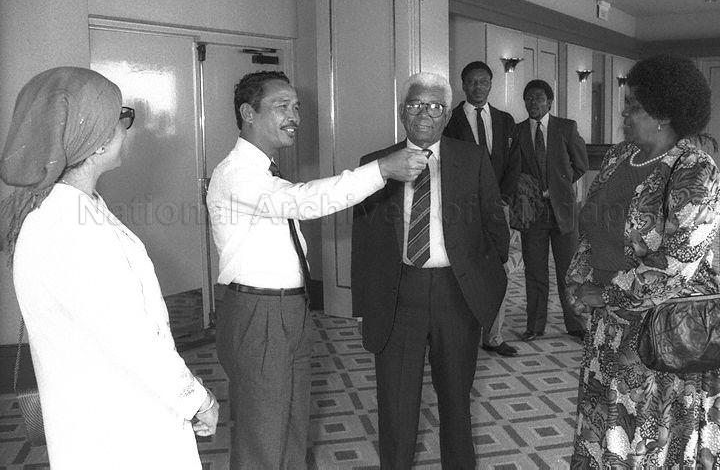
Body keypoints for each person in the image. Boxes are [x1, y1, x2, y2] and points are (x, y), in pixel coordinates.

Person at [206, 71, 427, 469]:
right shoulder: (235, 174)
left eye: (296, 107)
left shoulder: (265, 173)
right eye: (281, 107)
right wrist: (381, 170)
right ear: (247, 113)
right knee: (262, 438)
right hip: (258, 315)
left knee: (290, 429)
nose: (294, 116)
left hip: (289, 311)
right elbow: (305, 201)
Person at [0, 67, 219, 469]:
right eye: (121, 117)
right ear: (97, 139)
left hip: (100, 420)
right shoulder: (72, 231)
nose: (125, 128)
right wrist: (196, 398)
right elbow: (136, 341)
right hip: (121, 431)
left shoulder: (64, 210)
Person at [567, 55, 720, 467]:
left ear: (665, 114)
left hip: (663, 333)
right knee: (607, 429)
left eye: (634, 105)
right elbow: (591, 223)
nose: (624, 112)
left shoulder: (696, 171)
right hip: (609, 328)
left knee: (651, 440)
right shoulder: (621, 156)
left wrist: (607, 293)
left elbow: (676, 264)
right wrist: (580, 282)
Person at [351, 72, 509, 469]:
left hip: (456, 295)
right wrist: (363, 304)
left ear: (446, 114)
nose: (425, 113)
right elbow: (364, 243)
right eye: (416, 104)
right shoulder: (374, 164)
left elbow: (495, 226)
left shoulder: (470, 158)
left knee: (456, 398)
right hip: (397, 296)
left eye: (435, 106)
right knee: (396, 403)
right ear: (403, 111)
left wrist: (488, 288)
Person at [444, 60, 518, 357]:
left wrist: (505, 198)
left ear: (491, 84)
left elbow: (515, 162)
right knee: (462, 267)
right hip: (464, 209)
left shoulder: (505, 120)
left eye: (483, 81)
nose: (478, 87)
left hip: (499, 207)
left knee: (498, 268)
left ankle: (494, 335)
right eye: (472, 82)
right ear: (463, 85)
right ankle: (461, 331)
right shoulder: (449, 122)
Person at [508, 79, 587, 342]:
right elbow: (514, 169)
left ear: (549, 102)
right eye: (529, 98)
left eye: (539, 98)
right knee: (535, 271)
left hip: (563, 211)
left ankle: (575, 323)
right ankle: (535, 325)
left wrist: (557, 187)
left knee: (568, 271)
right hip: (532, 214)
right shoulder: (517, 132)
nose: (533, 103)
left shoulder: (566, 128)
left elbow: (581, 165)